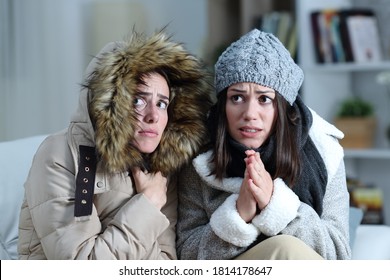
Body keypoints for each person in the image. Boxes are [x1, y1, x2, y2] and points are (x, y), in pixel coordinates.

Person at [18, 29, 213, 259]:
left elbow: (166, 263)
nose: (154, 116)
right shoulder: (60, 154)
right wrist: (148, 204)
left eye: (162, 104)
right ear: (111, 102)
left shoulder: (160, 170)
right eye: (139, 100)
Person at [176, 29, 351, 260]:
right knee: (285, 250)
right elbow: (185, 255)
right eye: (237, 98)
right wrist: (239, 215)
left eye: (264, 99)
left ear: (283, 108)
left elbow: (340, 255)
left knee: (288, 249)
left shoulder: (324, 151)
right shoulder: (199, 156)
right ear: (223, 106)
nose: (249, 114)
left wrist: (277, 205)